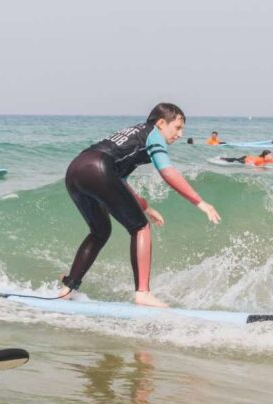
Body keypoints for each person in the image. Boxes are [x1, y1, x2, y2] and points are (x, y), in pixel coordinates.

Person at [58, 103, 221, 307]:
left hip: (76, 170)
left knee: (100, 231)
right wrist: (200, 202)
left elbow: (119, 182)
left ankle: (68, 289)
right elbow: (167, 171)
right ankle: (143, 293)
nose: (180, 134)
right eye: (177, 128)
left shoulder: (136, 132)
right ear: (161, 123)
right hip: (99, 168)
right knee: (140, 227)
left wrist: (145, 207)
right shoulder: (154, 134)